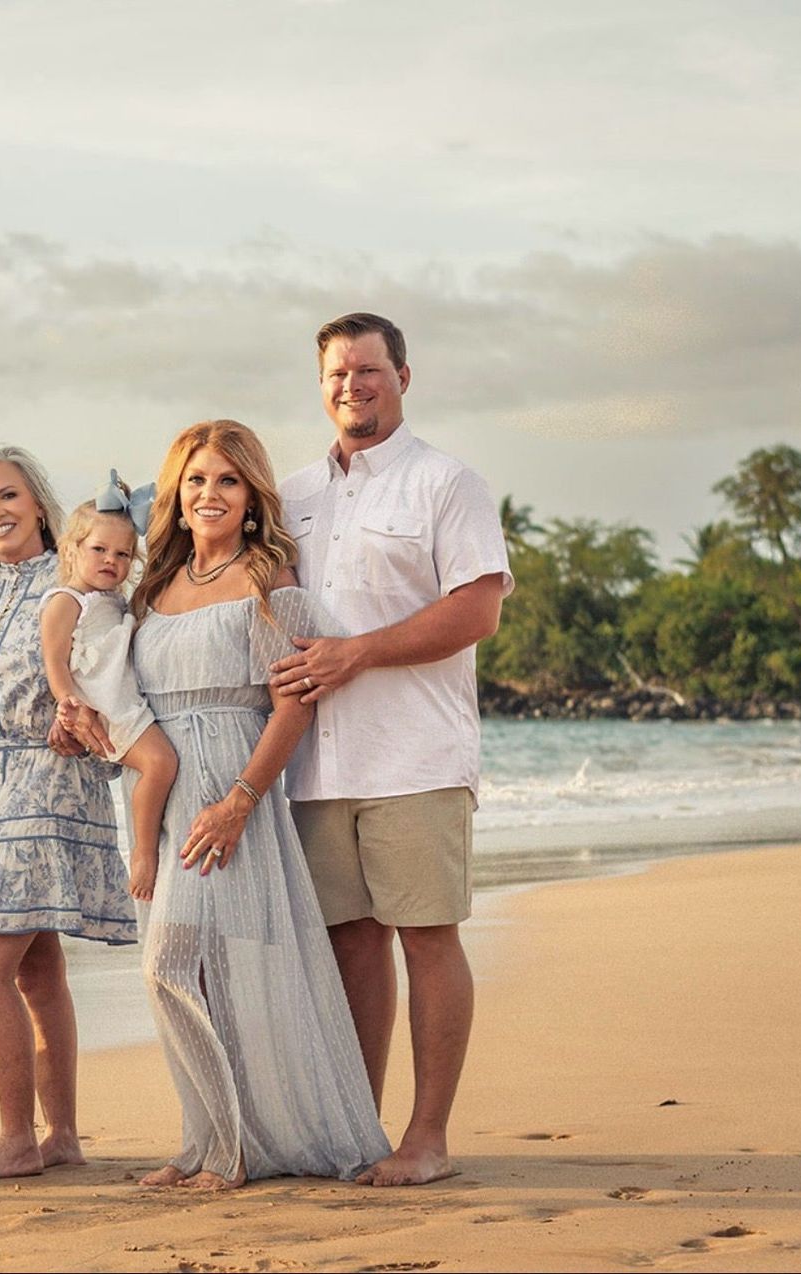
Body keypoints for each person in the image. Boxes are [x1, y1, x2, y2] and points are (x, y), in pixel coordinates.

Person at [269, 313, 512, 1187]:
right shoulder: (291, 493)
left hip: (415, 759)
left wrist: (358, 652)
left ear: (404, 377)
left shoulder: (447, 484)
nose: (351, 387)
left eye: (368, 371)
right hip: (315, 767)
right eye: (337, 373)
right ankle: (357, 1130)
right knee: (350, 945)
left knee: (426, 939)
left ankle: (428, 1140)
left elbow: (476, 611)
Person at [114, 420, 389, 1189]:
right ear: (175, 491)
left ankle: (234, 1151)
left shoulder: (270, 584)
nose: (210, 494)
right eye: (197, 480)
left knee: (180, 963)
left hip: (228, 787)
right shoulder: (153, 585)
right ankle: (203, 1141)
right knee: (194, 973)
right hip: (162, 797)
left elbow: (294, 708)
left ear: (252, 496)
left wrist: (239, 800)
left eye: (228, 481)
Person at [0, 446, 136, 1181]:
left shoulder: (78, 580)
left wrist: (87, 722)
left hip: (49, 774)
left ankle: (17, 1137)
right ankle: (63, 1134)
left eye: (6, 496)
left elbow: (116, 667)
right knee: (36, 966)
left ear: (40, 504)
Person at [41, 471, 179, 902]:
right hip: (105, 711)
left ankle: (149, 845)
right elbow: (55, 661)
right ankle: (143, 852)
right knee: (160, 764)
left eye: (122, 554)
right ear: (72, 549)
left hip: (127, 702)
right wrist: (70, 707)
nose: (110, 561)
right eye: (98, 549)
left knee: (159, 766)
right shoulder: (67, 600)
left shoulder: (115, 599)